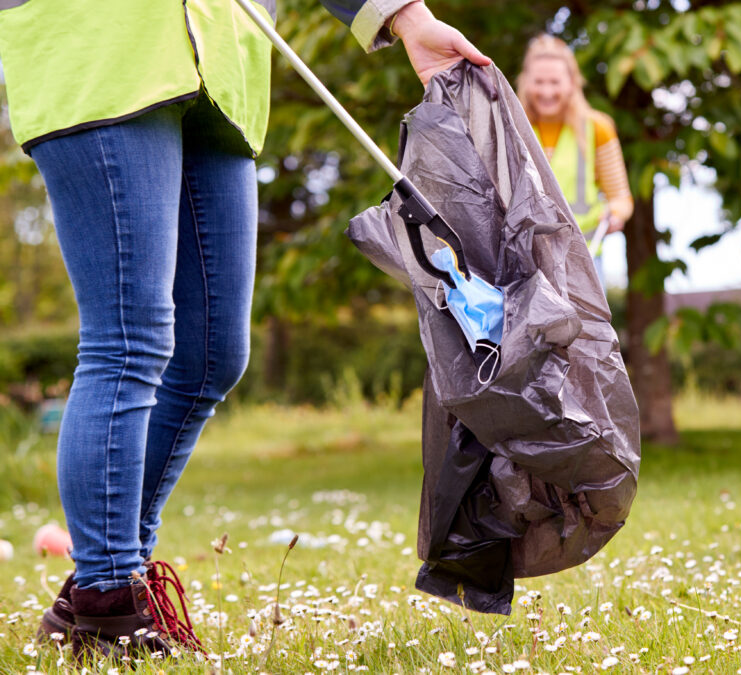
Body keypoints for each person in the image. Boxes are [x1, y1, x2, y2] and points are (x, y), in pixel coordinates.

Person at [0, 0, 488, 656]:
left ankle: (111, 585)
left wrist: (405, 16)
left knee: (212, 352)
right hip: (100, 44)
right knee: (128, 338)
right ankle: (107, 598)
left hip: (222, 61)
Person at [516, 35, 634, 287]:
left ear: (572, 82)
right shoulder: (512, 128)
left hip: (583, 259)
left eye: (555, 82)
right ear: (525, 82)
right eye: (539, 82)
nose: (547, 92)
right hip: (525, 262)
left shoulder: (597, 128)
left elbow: (621, 197)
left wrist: (615, 213)